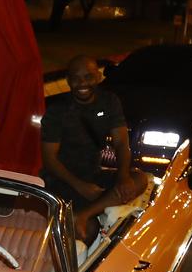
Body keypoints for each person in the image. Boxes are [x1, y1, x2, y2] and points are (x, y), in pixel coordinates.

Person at [40, 55, 148, 243]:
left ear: (98, 77)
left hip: (92, 174)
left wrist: (123, 177)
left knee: (139, 178)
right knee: (88, 232)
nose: (82, 83)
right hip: (62, 180)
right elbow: (49, 159)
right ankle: (84, 218)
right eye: (76, 78)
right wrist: (80, 186)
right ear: (68, 81)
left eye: (88, 77)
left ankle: (83, 214)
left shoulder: (109, 102)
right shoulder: (57, 110)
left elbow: (121, 142)